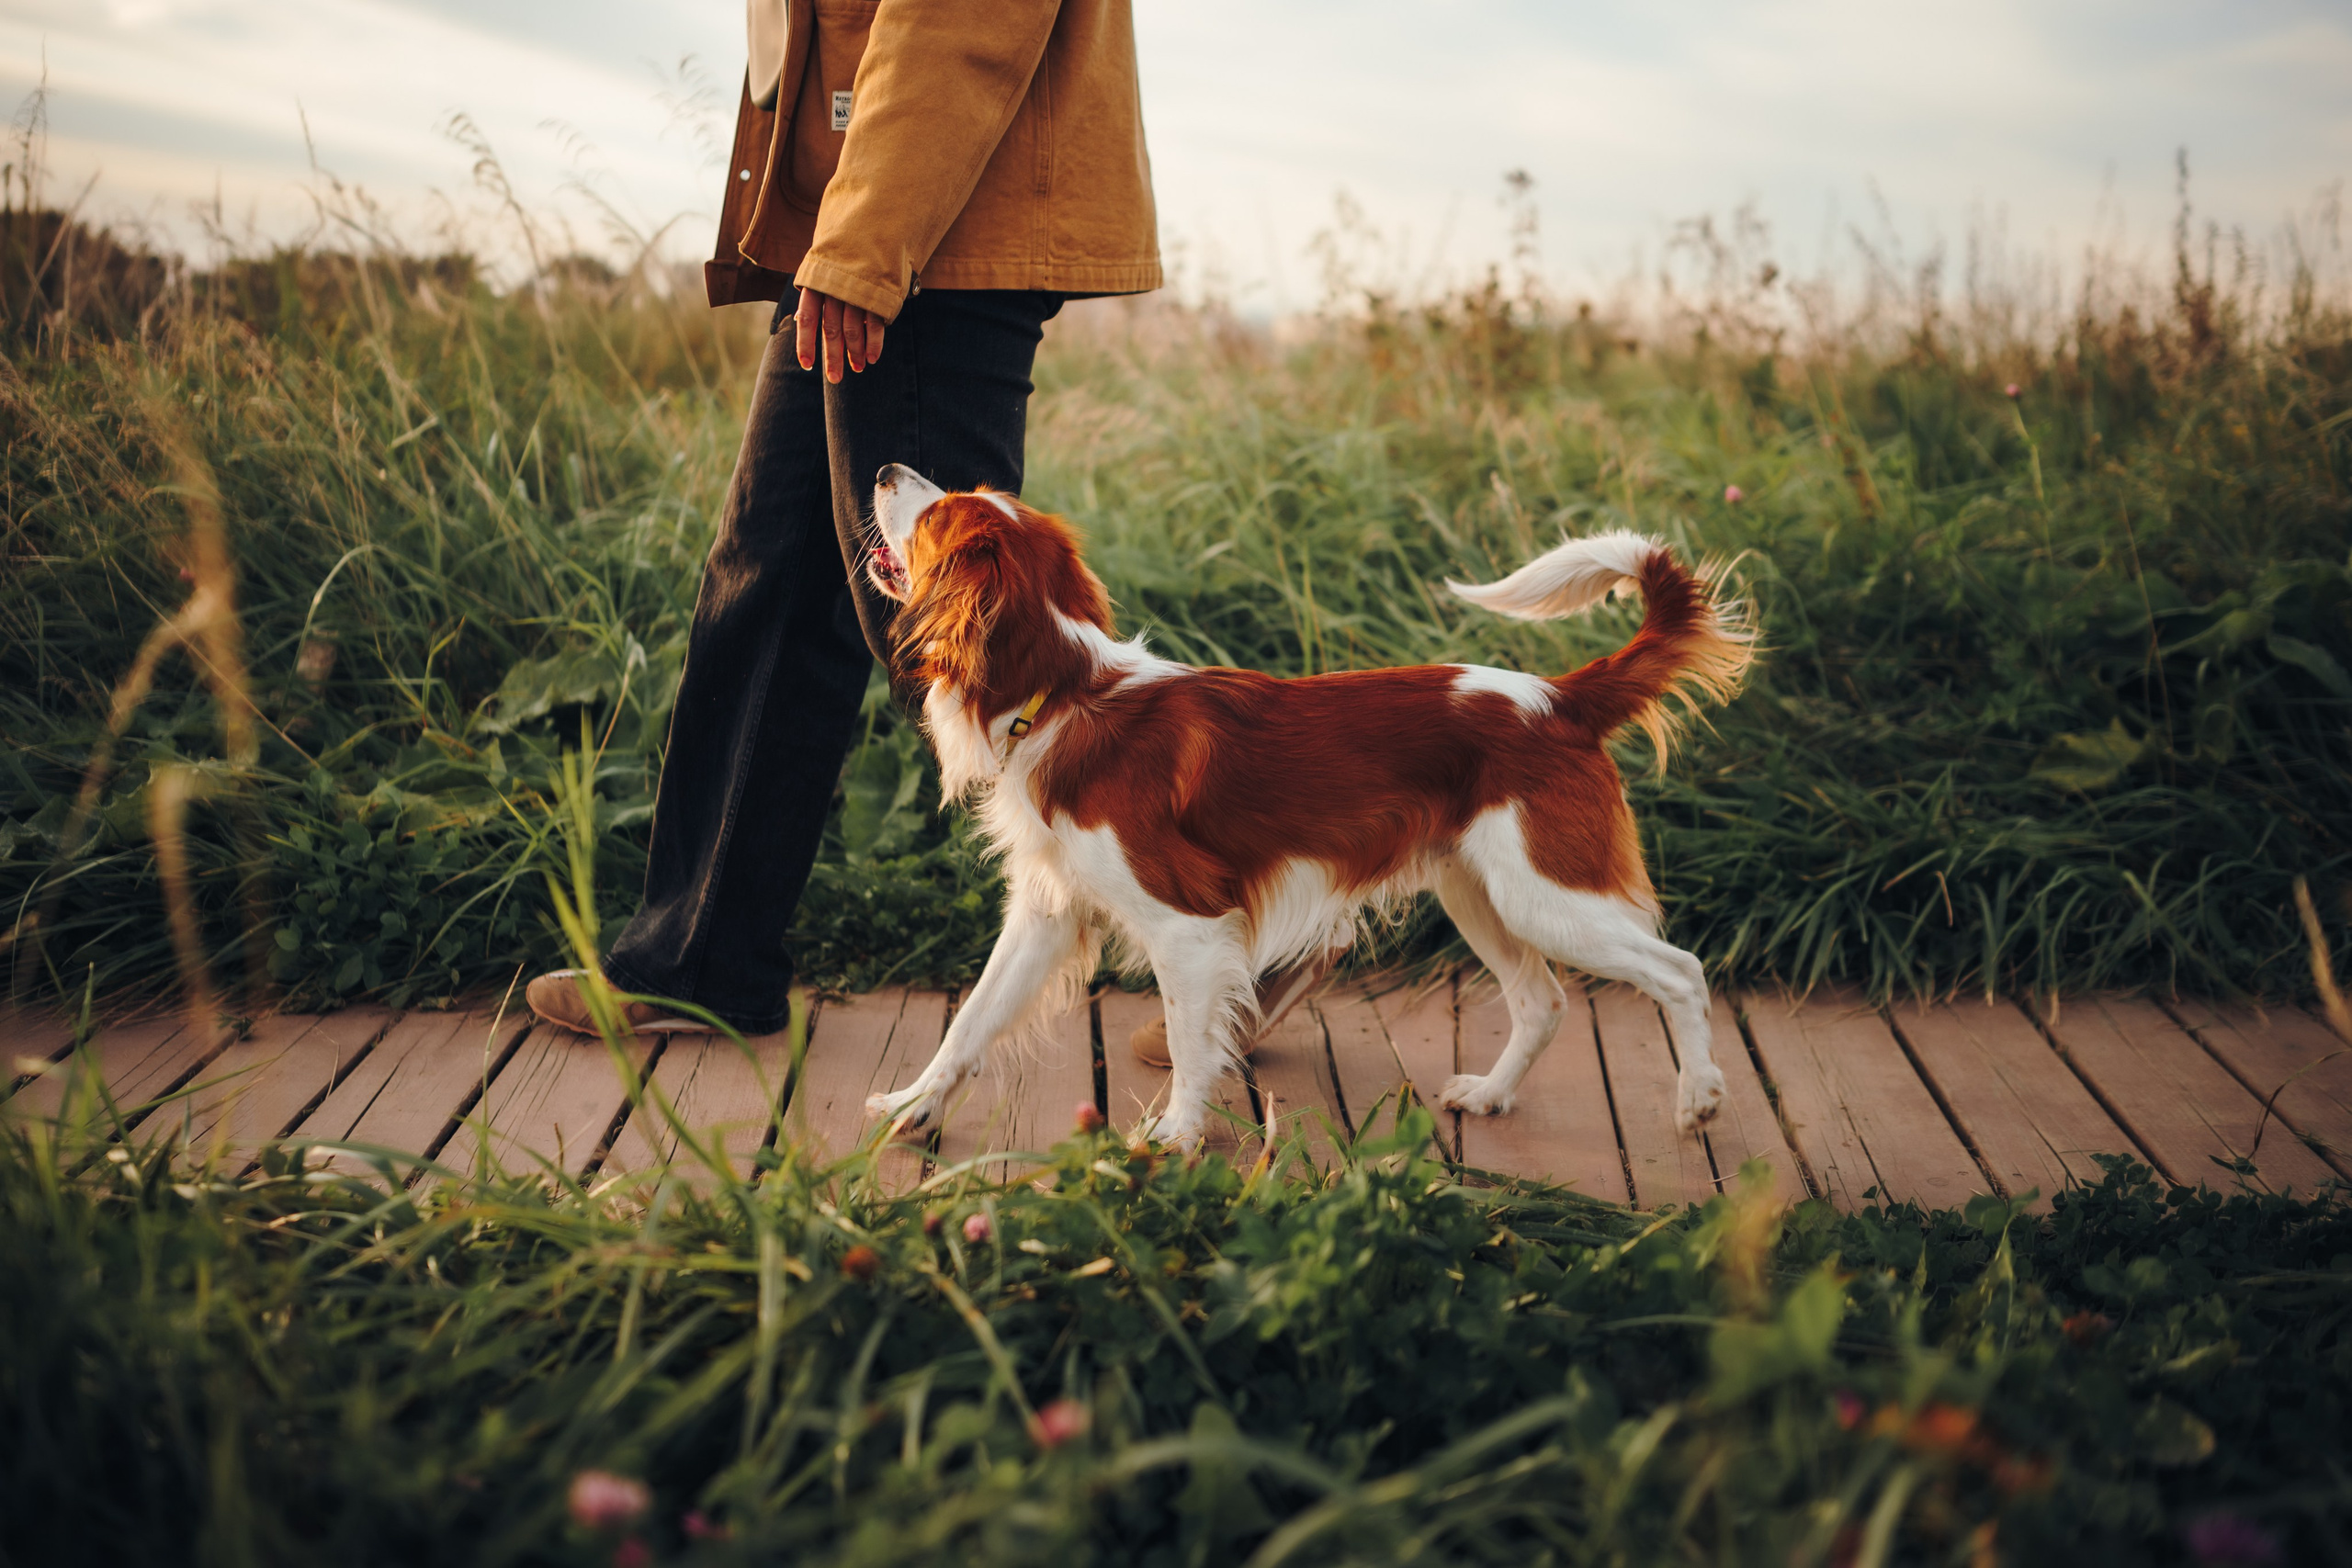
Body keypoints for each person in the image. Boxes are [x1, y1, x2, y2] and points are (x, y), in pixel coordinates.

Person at [525, 0, 1329, 1066]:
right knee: (773, 589)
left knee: (971, 634)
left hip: (930, 228)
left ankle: (1254, 901)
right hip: (864, 219)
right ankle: (699, 961)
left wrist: (868, 241)